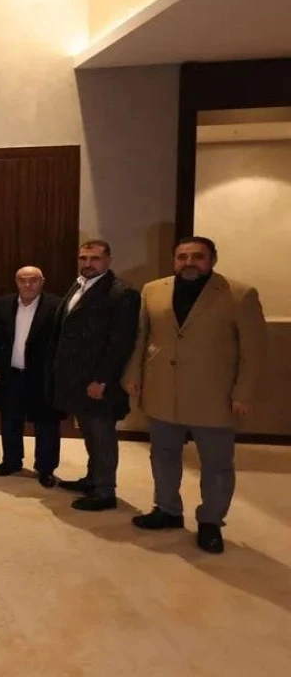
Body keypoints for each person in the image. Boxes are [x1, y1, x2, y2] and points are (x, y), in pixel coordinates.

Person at [126, 237, 266, 554]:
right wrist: (133, 374)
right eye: (182, 256)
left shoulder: (239, 294)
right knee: (163, 455)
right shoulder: (153, 290)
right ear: (174, 260)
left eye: (198, 256)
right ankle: (167, 510)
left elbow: (254, 351)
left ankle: (211, 521)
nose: (189, 262)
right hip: (163, 390)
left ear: (212, 259)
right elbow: (141, 336)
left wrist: (243, 392)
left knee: (216, 464)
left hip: (214, 396)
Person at [51, 239, 140, 512]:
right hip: (77, 378)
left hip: (99, 381)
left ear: (108, 260)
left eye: (95, 258)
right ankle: (92, 479)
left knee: (102, 435)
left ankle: (104, 491)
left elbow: (120, 342)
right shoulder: (79, 284)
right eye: (83, 258)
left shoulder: (122, 292)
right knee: (89, 431)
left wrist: (102, 380)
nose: (88, 263)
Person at [0, 266, 63, 487]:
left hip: (43, 376)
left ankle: (46, 469)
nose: (28, 285)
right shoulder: (1, 304)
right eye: (22, 280)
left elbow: (62, 342)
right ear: (16, 281)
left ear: (42, 281)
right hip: (10, 374)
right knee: (10, 420)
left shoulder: (57, 305)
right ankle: (11, 461)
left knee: (46, 424)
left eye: (33, 280)